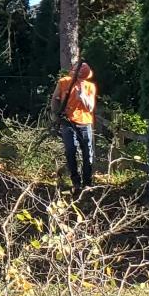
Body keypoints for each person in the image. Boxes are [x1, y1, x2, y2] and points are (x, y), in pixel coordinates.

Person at [51, 62, 97, 196]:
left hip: (85, 122)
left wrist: (82, 97)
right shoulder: (64, 82)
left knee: (87, 153)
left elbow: (90, 107)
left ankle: (87, 183)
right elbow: (55, 98)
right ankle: (75, 181)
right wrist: (55, 114)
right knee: (70, 151)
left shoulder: (90, 86)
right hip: (67, 121)